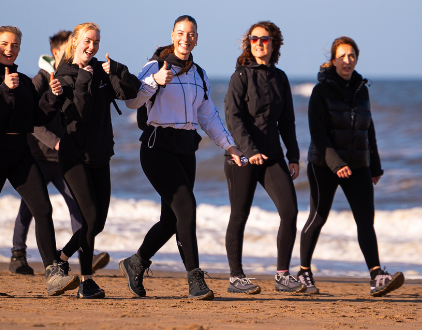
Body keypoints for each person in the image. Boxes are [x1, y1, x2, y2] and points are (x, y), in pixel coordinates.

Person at [119, 15, 248, 301]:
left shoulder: (198, 74)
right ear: (172, 35)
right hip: (157, 147)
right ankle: (195, 278)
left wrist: (230, 147)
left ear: (196, 39)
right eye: (180, 33)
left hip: (186, 149)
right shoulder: (154, 67)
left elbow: (208, 116)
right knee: (187, 208)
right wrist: (154, 82)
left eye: (190, 34)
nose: (185, 38)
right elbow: (132, 102)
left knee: (171, 220)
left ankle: (136, 262)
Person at [0, 26, 79, 296]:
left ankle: (53, 274)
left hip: (20, 152)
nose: (9, 49)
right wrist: (5, 89)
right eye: (4, 44)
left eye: (14, 45)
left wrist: (53, 96)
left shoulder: (23, 81)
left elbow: (37, 117)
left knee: (43, 208)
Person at [41, 23, 142, 299]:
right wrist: (85, 78)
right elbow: (79, 113)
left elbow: (130, 92)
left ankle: (61, 258)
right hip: (74, 157)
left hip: (100, 155)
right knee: (90, 217)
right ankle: (86, 281)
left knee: (98, 223)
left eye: (96, 42)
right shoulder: (63, 75)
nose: (92, 46)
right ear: (75, 42)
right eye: (87, 41)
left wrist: (118, 69)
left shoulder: (101, 70)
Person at [297, 36, 404, 297]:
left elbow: (369, 129)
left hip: (358, 165)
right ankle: (303, 272)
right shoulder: (320, 91)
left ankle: (376, 276)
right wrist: (336, 164)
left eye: (352, 56)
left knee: (366, 221)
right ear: (333, 60)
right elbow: (318, 134)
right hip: (324, 165)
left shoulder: (361, 89)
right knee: (318, 218)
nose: (347, 61)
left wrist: (374, 165)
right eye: (342, 56)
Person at [9, 31, 111, 276]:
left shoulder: (77, 75)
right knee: (31, 207)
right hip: (40, 157)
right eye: (69, 48)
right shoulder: (41, 80)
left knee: (80, 208)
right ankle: (18, 254)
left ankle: (82, 251)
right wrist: (55, 142)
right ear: (56, 52)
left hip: (65, 157)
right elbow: (33, 121)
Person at [223, 21, 305, 295]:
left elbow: (288, 122)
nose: (259, 43)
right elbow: (234, 119)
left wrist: (293, 156)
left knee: (290, 211)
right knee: (239, 215)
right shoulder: (240, 76)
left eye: (265, 39)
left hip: (272, 156)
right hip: (242, 157)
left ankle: (283, 276)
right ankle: (236, 277)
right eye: (254, 39)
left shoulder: (280, 78)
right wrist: (249, 150)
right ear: (249, 43)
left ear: (274, 44)